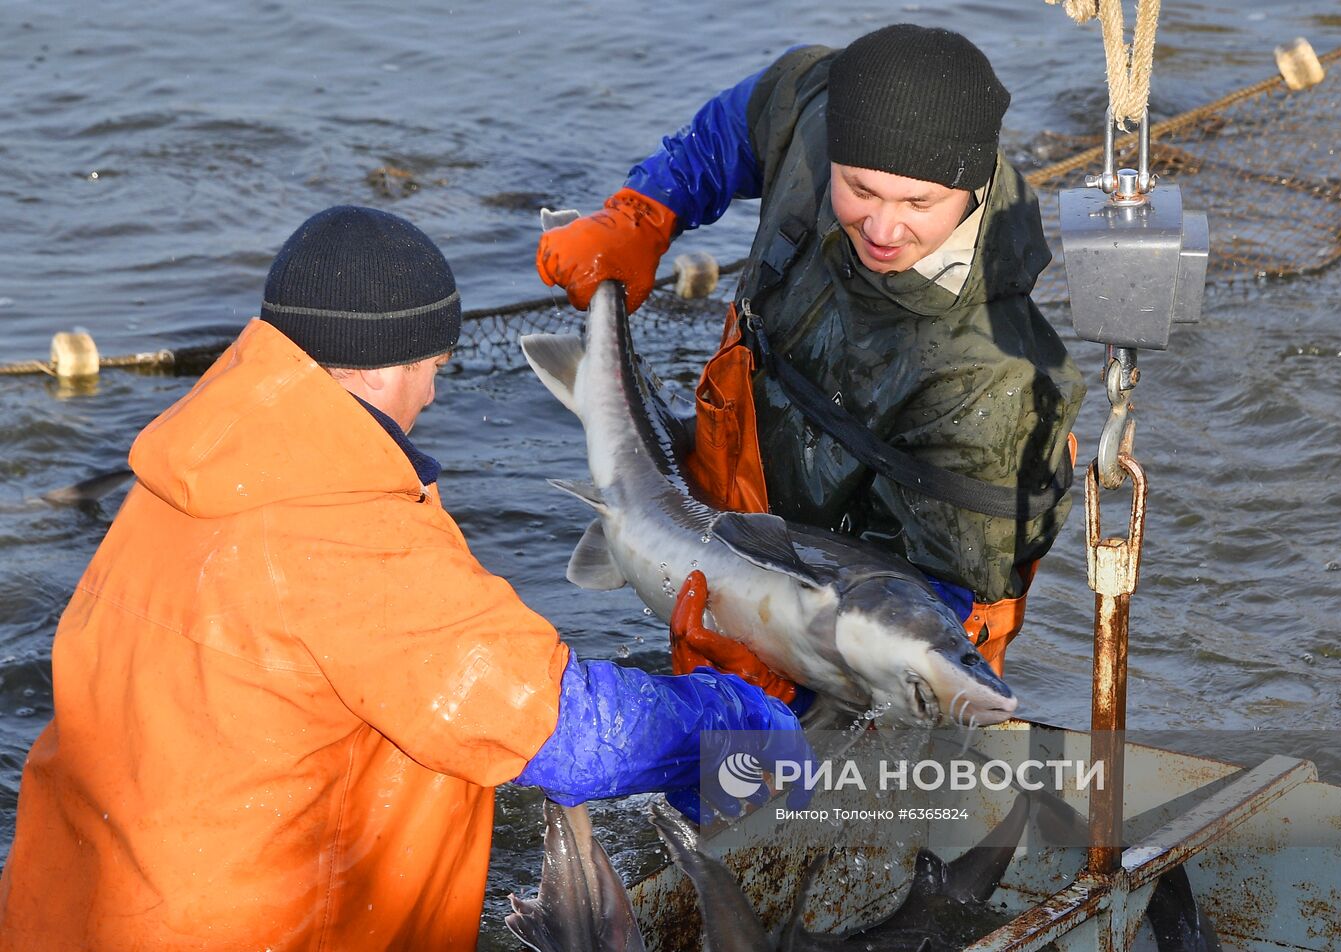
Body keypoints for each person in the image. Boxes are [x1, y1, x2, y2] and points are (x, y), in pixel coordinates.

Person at [0, 206, 809, 950]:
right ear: (389, 369)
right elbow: (559, 732)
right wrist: (727, 722)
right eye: (436, 367)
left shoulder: (185, 472)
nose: (431, 393)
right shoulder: (339, 525)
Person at [537, 24, 1085, 695]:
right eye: (860, 189)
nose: (883, 230)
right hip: (726, 512)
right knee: (714, 777)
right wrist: (645, 212)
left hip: (869, 638)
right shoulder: (827, 110)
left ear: (971, 188)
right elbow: (745, 120)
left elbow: (946, 594)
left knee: (818, 790)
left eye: (920, 203)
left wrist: (783, 659)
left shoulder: (993, 384)